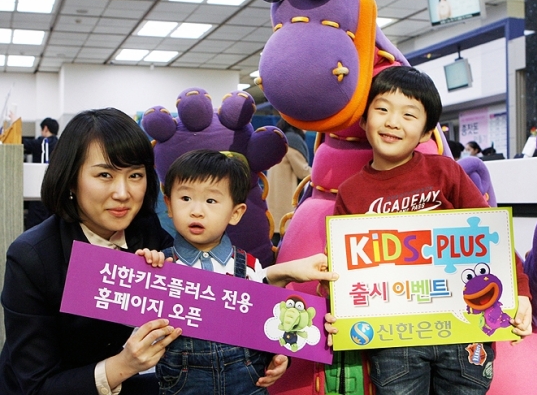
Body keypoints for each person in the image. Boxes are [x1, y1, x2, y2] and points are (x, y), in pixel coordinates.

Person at [333, 66, 532, 394]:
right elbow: (340, 268)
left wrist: (520, 290)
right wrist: (335, 309)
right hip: (393, 336)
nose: (393, 121)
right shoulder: (351, 192)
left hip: (464, 329)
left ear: (427, 133)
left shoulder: (445, 172)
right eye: (382, 109)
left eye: (409, 115)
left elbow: (490, 236)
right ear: (364, 118)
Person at [0, 108, 182, 395]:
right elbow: (36, 386)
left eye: (135, 175)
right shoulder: (32, 257)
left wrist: (261, 353)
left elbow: (195, 301)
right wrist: (125, 364)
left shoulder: (143, 229)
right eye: (105, 174)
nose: (123, 193)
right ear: (72, 179)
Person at [141, 149, 338, 394]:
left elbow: (268, 322)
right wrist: (145, 275)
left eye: (211, 201)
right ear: (168, 204)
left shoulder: (249, 267)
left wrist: (280, 357)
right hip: (184, 385)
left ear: (236, 213)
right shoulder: (160, 266)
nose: (197, 211)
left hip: (247, 382)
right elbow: (139, 331)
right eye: (185, 198)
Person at [266, 118, 311, 245]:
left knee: (274, 239)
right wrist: (321, 172)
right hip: (287, 200)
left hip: (275, 199)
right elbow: (302, 171)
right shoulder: (293, 141)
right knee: (287, 241)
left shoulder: (279, 141)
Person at [21, 117, 60, 229]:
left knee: (35, 227)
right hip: (54, 192)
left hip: (38, 189)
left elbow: (22, 142)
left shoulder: (43, 142)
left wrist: (14, 122)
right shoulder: (60, 144)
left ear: (45, 128)